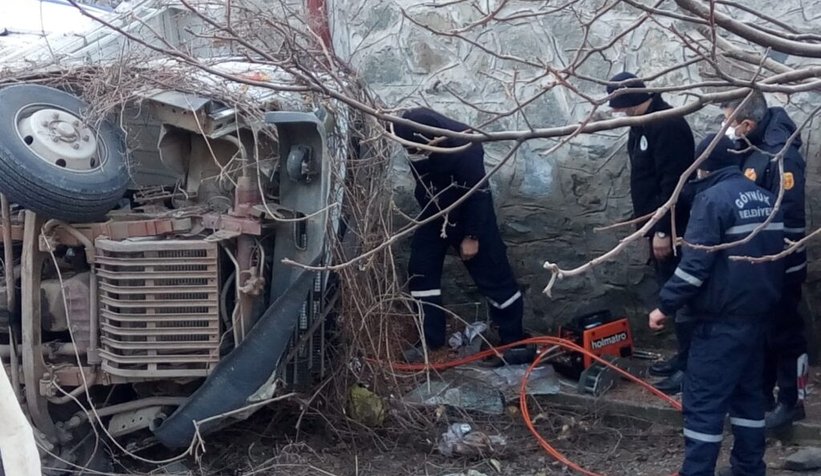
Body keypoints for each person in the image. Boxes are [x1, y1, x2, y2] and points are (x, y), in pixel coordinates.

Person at [649, 134, 784, 476]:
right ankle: (749, 468)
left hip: (719, 324)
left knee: (703, 406)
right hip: (758, 320)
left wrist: (664, 306)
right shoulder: (769, 199)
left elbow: (694, 268)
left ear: (703, 167)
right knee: (748, 399)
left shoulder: (711, 201)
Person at [392, 107, 531, 365]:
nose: (413, 154)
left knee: (494, 275)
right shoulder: (410, 137)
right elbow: (423, 181)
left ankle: (512, 343)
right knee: (420, 271)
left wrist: (472, 235)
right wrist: (433, 212)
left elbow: (479, 192)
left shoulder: (465, 147)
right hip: (435, 213)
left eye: (417, 149)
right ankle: (430, 342)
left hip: (471, 213)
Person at [720, 91, 809, 429]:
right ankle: (763, 395)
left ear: (748, 123)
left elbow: (788, 213)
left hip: (780, 260)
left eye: (729, 121)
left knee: (785, 332)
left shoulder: (780, 154)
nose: (725, 127)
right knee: (764, 330)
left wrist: (779, 259)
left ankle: (792, 401)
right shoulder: (752, 145)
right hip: (759, 261)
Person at [606, 72, 696, 394]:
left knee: (683, 298)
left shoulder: (666, 124)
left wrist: (662, 231)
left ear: (633, 101)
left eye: (622, 107)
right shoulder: (641, 124)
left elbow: (674, 183)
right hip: (654, 225)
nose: (620, 114)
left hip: (673, 228)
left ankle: (691, 367)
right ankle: (683, 357)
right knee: (668, 292)